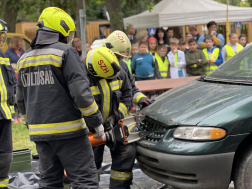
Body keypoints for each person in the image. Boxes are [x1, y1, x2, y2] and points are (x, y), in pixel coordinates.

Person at [16, 7, 104, 189]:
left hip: (40, 134)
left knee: (49, 182)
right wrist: (96, 121)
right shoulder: (65, 52)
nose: (69, 37)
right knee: (85, 181)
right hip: (70, 132)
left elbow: (21, 100)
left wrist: (30, 123)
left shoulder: (23, 59)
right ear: (61, 29)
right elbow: (80, 92)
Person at [86, 46, 134, 189]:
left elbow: (127, 93)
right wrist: (93, 122)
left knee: (127, 151)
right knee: (91, 162)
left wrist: (117, 115)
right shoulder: (81, 78)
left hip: (114, 125)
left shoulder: (117, 69)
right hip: (89, 130)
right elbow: (76, 105)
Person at [0, 19, 16, 189]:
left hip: (4, 114)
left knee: (5, 158)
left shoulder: (4, 57)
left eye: (2, 36)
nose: (1, 39)